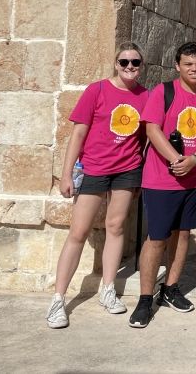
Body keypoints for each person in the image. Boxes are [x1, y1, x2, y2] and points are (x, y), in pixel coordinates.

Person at [47, 43, 148, 329]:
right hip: (93, 168)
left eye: (135, 63)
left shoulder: (145, 95)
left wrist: (139, 172)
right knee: (78, 232)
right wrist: (66, 174)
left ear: (142, 65)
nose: (130, 67)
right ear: (116, 64)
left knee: (116, 227)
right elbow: (78, 132)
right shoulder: (97, 90)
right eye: (124, 62)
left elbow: (143, 137)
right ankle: (58, 299)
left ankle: (107, 288)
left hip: (127, 170)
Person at [128, 42, 196, 328]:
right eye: (189, 64)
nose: (195, 69)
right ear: (178, 66)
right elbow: (152, 129)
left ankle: (171, 288)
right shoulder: (163, 92)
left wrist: (193, 159)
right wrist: (175, 158)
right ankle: (145, 298)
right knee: (157, 237)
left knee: (182, 235)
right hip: (161, 179)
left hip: (191, 180)